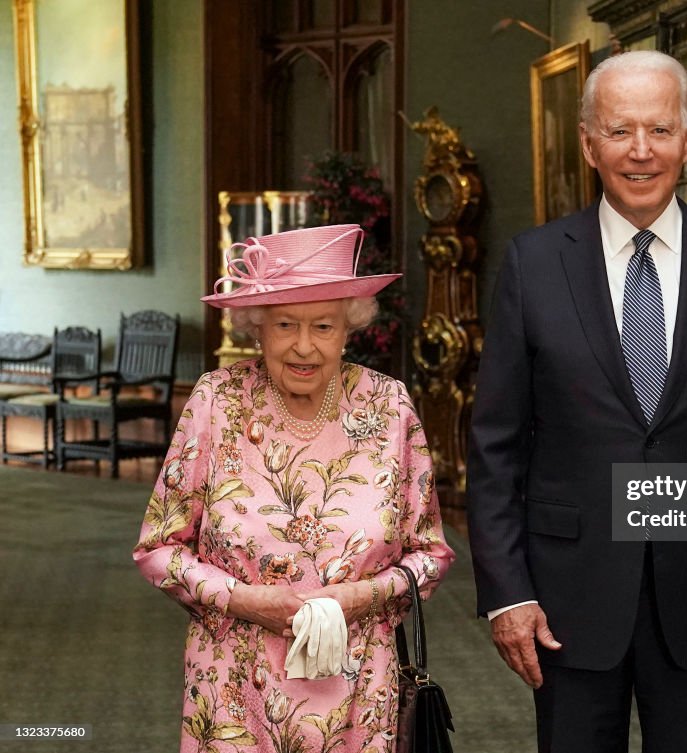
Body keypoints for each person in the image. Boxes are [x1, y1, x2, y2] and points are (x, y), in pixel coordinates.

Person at [467, 50, 687, 753]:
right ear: (589, 143)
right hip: (565, 598)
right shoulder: (533, 262)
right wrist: (508, 591)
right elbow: (495, 443)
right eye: (619, 132)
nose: (640, 152)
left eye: (659, 129)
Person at [134, 224, 454, 753]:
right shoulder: (218, 401)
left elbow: (432, 555)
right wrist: (243, 599)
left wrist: (363, 595)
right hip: (234, 687)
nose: (304, 346)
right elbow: (158, 549)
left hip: (361, 693)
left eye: (323, 326)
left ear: (348, 329)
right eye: (285, 324)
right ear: (255, 328)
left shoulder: (388, 405)